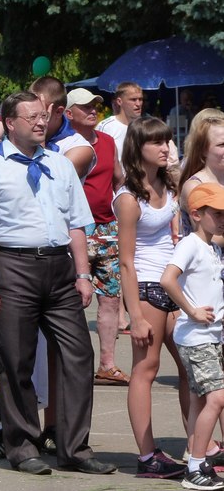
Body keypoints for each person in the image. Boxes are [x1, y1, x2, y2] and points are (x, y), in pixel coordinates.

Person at [0, 91, 116, 476]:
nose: (39, 122)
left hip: (59, 268)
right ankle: (22, 446)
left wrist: (83, 274)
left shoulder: (60, 165)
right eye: (30, 116)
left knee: (78, 356)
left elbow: (77, 223)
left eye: (43, 115)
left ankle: (74, 447)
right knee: (16, 361)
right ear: (10, 124)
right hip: (12, 266)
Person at [114, 116, 191, 478]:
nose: (165, 148)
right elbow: (125, 263)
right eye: (157, 143)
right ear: (137, 148)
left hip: (175, 284)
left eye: (167, 141)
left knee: (192, 367)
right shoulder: (128, 197)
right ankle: (147, 457)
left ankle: (199, 445)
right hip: (146, 286)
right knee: (145, 370)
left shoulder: (169, 184)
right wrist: (136, 315)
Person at [161, 183, 224, 490]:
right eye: (217, 213)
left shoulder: (212, 246)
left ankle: (197, 462)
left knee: (200, 401)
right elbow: (167, 279)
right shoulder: (190, 244)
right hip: (196, 336)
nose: (223, 218)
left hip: (213, 336)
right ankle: (196, 467)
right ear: (197, 214)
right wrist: (191, 310)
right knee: (218, 398)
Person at [64, 88, 128, 385]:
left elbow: (118, 179)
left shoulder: (108, 141)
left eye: (96, 106)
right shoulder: (61, 145)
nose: (93, 110)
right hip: (75, 228)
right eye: (85, 107)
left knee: (111, 299)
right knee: (73, 298)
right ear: (68, 114)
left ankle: (107, 364)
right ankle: (72, 363)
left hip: (106, 228)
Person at [96, 82, 144, 162]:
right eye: (133, 100)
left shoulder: (145, 126)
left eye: (140, 99)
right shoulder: (106, 127)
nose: (138, 104)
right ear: (119, 101)